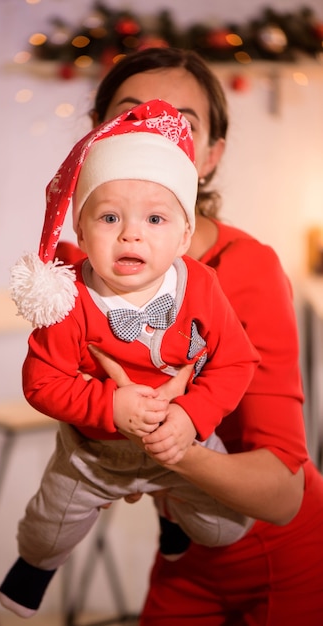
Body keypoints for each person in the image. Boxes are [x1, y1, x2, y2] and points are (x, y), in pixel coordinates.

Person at [56, 47, 323, 625]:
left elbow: (284, 494)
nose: (153, 132)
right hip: (186, 554)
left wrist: (167, 448)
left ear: (209, 156)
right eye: (130, 116)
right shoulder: (77, 272)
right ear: (96, 138)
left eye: (181, 123)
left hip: (284, 557)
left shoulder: (248, 267)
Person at [0, 99, 260, 618]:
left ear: (184, 235)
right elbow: (41, 382)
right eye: (110, 216)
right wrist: (108, 405)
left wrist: (191, 416)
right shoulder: (70, 299)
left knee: (228, 526)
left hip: (180, 442)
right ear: (81, 227)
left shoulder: (201, 286)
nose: (131, 233)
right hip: (98, 452)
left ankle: (172, 508)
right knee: (51, 526)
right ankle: (32, 566)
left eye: (155, 218)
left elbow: (237, 362)